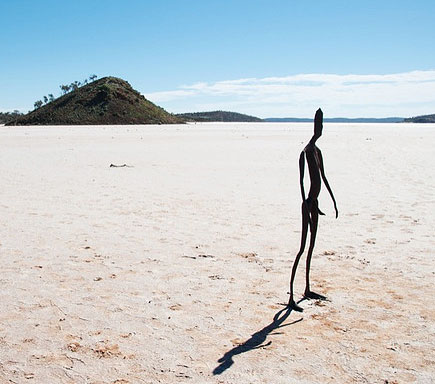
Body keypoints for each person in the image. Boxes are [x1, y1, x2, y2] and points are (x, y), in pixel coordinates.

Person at [288, 108, 338, 312]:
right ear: (314, 126)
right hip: (308, 204)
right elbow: (301, 182)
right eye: (318, 125)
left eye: (322, 125)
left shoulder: (317, 151)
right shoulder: (305, 152)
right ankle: (291, 294)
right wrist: (306, 205)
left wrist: (333, 201)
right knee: (301, 249)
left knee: (311, 247)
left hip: (315, 203)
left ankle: (307, 288)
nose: (321, 129)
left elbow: (323, 178)